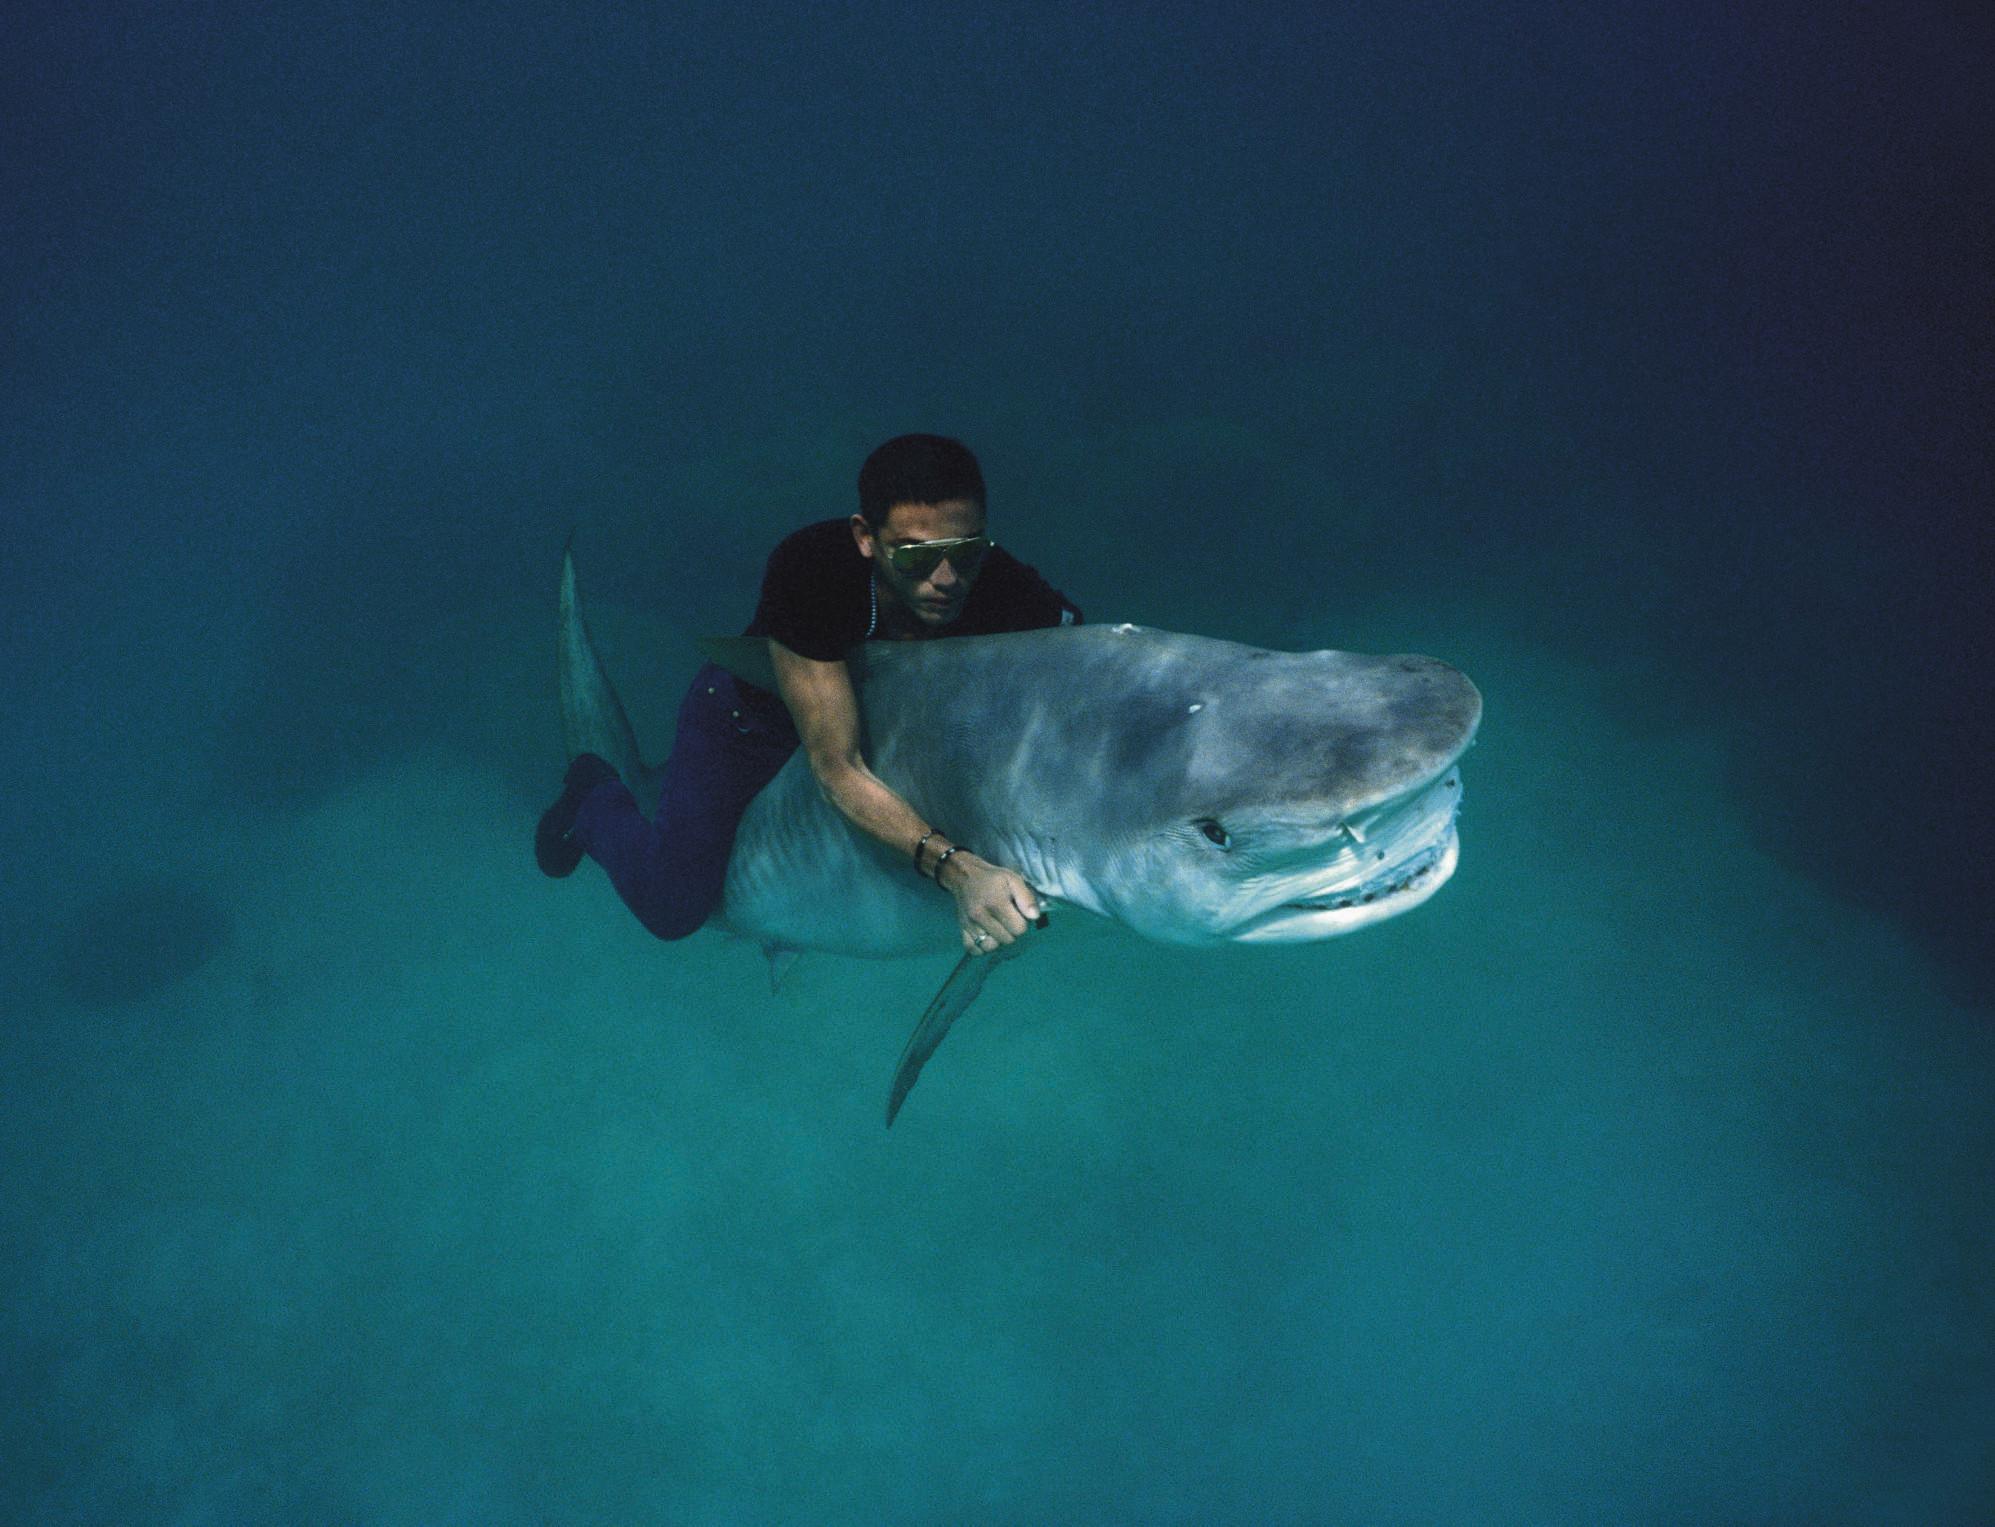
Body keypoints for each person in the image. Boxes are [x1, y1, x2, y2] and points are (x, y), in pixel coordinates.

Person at [535, 433, 1082, 957]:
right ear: (865, 536)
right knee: (672, 906)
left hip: (875, 732)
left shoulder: (1004, 586)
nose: (946, 578)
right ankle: (593, 795)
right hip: (749, 725)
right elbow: (837, 769)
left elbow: (1085, 665)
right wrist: (960, 872)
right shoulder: (813, 572)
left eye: (965, 552)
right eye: (915, 556)